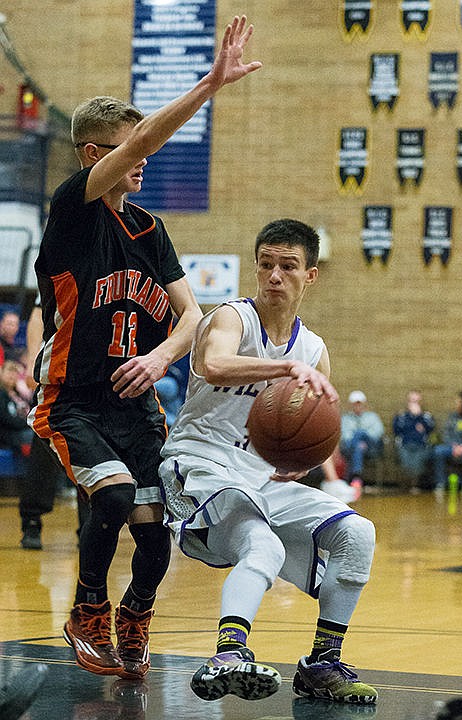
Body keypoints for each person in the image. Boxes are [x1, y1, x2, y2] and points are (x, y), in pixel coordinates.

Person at [27, 14, 262, 680]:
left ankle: (134, 615)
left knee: (157, 529)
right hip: (73, 400)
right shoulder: (72, 210)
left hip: (136, 408)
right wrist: (209, 85)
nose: (144, 159)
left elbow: (192, 314)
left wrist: (163, 356)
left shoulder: (148, 229)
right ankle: (86, 610)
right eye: (129, 149)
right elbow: (145, 139)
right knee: (113, 497)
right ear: (93, 155)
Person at [159, 219, 377, 705]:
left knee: (357, 534)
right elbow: (213, 364)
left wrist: (304, 458)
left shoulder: (314, 348)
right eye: (266, 265)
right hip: (199, 462)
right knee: (263, 544)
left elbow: (321, 426)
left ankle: (322, 663)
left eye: (288, 266)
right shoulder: (233, 317)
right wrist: (284, 368)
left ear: (310, 275)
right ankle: (228, 653)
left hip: (259, 476)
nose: (275, 276)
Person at [19, 301, 89, 550]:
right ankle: (32, 520)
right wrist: (32, 359)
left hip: (93, 373)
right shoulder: (64, 264)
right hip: (56, 371)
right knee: (45, 448)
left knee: (92, 454)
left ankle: (90, 528)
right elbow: (38, 312)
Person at [433, 390, 462, 497]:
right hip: (451, 446)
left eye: (458, 401)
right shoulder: (452, 416)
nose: (456, 403)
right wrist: (453, 445)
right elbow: (446, 434)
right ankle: (440, 482)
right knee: (438, 451)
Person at [392, 390, 435, 493]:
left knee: (417, 464)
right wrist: (413, 422)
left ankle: (415, 484)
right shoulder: (402, 416)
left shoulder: (426, 416)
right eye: (412, 401)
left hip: (421, 446)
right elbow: (397, 429)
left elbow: (430, 428)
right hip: (405, 445)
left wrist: (419, 416)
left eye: (417, 401)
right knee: (406, 464)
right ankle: (406, 485)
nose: (414, 404)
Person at [340, 391, 384, 484]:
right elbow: (344, 436)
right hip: (352, 447)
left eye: (359, 404)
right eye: (355, 404)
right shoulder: (346, 419)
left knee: (360, 433)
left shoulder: (372, 417)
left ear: (364, 404)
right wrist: (358, 443)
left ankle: (354, 477)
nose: (357, 407)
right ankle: (357, 476)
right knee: (358, 447)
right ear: (351, 405)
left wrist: (363, 438)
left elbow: (378, 433)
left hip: (371, 446)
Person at [0, 358, 32, 457]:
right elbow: (6, 419)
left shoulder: (19, 394)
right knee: (36, 436)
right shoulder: (1, 395)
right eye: (9, 371)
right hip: (9, 434)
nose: (12, 375)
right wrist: (29, 422)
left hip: (24, 428)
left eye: (15, 372)